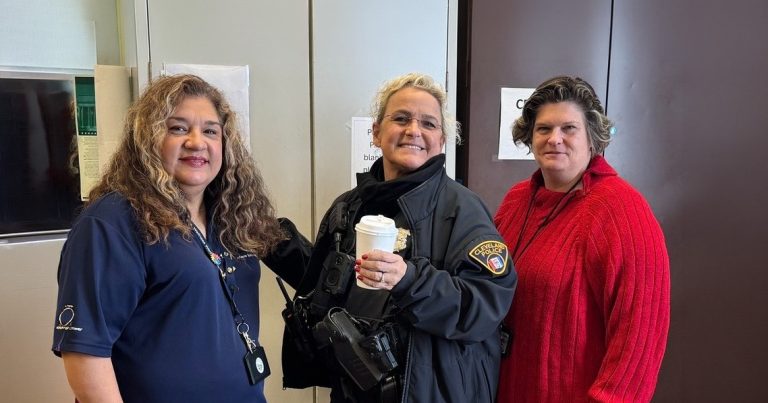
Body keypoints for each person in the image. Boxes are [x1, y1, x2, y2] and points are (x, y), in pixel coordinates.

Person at [263, 73, 517, 403]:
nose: (414, 130)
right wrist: (271, 240)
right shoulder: (348, 206)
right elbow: (323, 287)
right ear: (376, 133)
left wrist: (409, 279)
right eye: (400, 118)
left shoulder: (463, 210)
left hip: (432, 393)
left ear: (441, 141)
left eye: (428, 123)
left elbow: (485, 306)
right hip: (357, 390)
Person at [51, 74, 301, 403]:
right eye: (178, 128)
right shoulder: (113, 222)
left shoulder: (232, 216)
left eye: (211, 131)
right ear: (148, 139)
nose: (197, 142)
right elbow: (85, 357)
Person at [494, 76, 670, 402]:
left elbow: (639, 339)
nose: (554, 139)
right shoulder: (516, 200)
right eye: (543, 129)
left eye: (569, 128)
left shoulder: (622, 211)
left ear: (592, 137)